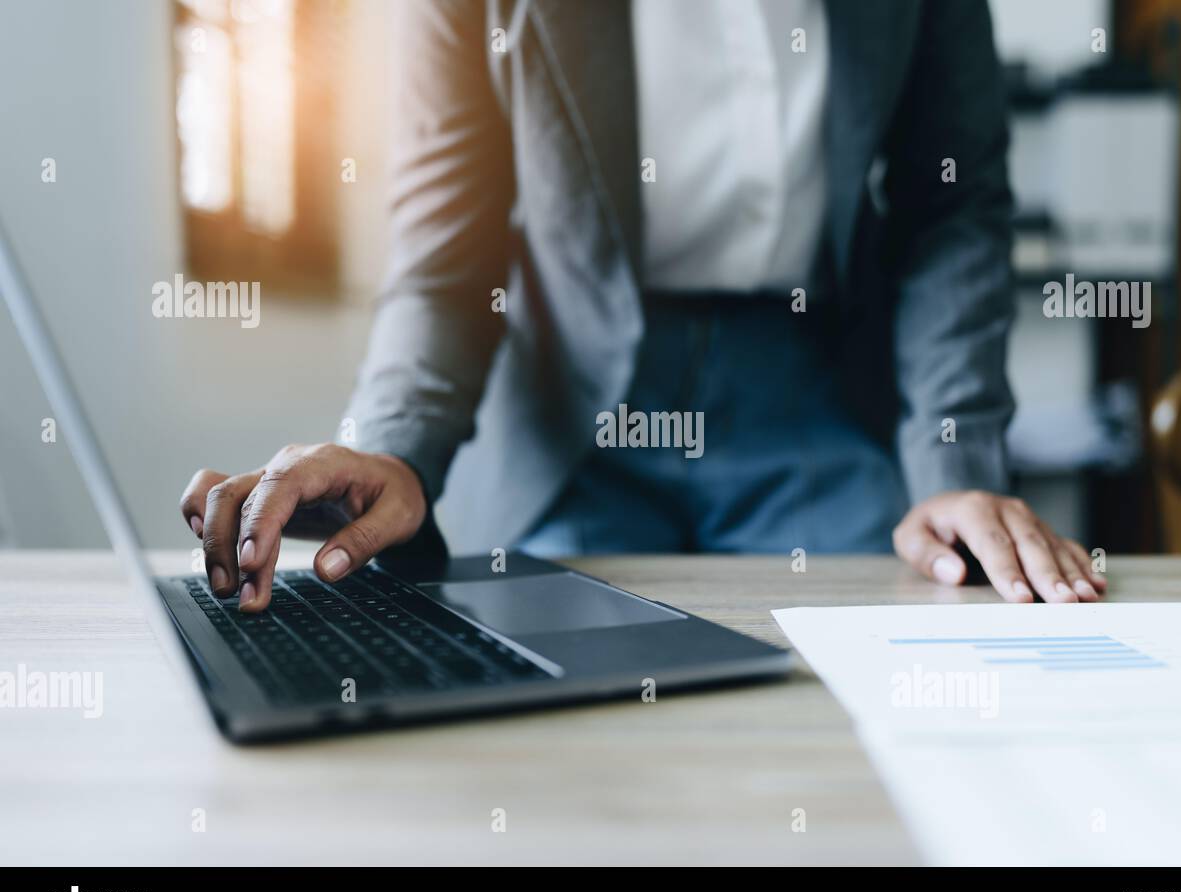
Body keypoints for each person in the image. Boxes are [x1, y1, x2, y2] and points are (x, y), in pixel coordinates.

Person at [179, 0, 1106, 612]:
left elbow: (952, 204)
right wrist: (389, 443)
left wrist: (954, 458)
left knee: (908, 648)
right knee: (551, 702)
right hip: (570, 420)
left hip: (814, 398)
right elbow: (445, 253)